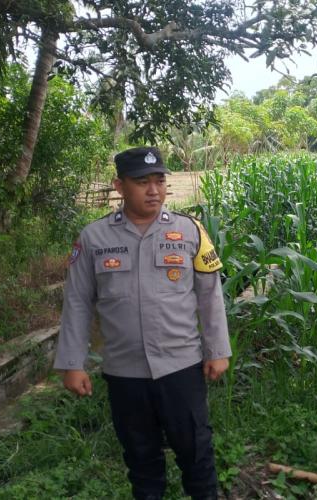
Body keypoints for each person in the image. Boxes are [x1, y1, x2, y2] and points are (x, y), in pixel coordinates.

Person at [54, 146, 231, 500]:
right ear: (119, 186)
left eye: (159, 181)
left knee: (197, 455)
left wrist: (218, 350)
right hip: (125, 372)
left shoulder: (190, 231)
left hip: (181, 367)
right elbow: (76, 303)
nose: (154, 190)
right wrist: (72, 364)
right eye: (142, 182)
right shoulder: (94, 239)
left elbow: (209, 297)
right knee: (141, 460)